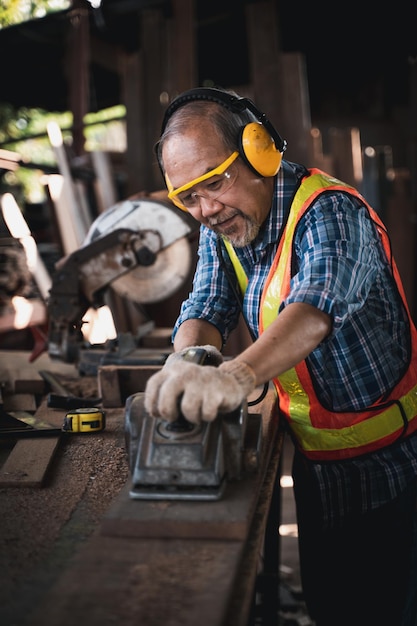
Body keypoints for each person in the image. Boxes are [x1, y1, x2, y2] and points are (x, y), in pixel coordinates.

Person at [144, 86, 417, 626]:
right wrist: (190, 360)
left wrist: (236, 375)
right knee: (332, 605)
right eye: (187, 198)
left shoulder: (330, 211)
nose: (205, 210)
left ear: (259, 150)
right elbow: (206, 302)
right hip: (317, 465)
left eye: (214, 183)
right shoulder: (221, 222)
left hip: (395, 468)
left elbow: (314, 310)